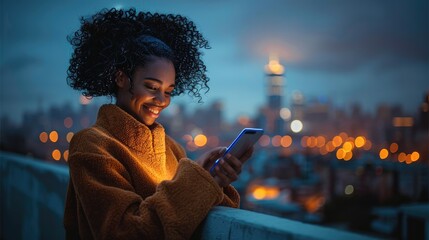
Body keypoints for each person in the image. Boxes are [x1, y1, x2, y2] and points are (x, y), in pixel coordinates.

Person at [63, 8, 254, 240]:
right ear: (121, 78)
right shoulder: (92, 146)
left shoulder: (172, 149)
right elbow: (124, 233)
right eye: (152, 87)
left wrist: (213, 180)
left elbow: (191, 218)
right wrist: (196, 182)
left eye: (168, 91)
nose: (162, 101)